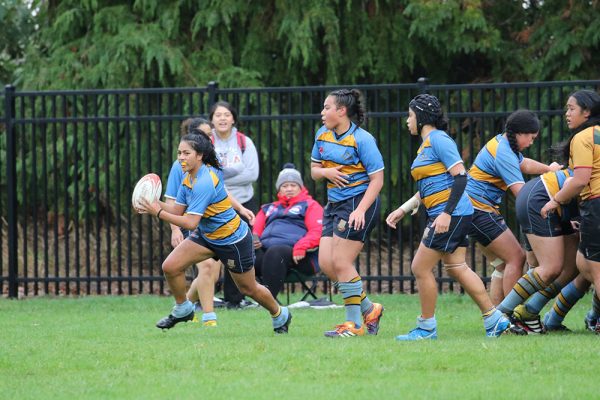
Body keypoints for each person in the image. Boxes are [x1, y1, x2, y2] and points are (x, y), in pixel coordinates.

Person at [386, 94, 513, 340]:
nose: (407, 120)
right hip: (450, 213)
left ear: (421, 117)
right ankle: (494, 319)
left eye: (410, 115)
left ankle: (426, 328)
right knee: (457, 267)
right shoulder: (427, 144)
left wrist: (445, 214)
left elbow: (461, 177)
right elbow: (431, 184)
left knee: (419, 267)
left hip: (450, 215)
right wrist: (403, 209)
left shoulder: (438, 139)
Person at [137, 133, 291, 334]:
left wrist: (157, 212)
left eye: (186, 153)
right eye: (179, 153)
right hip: (207, 236)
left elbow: (191, 222)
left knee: (249, 288)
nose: (181, 157)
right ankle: (183, 309)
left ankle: (280, 314)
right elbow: (177, 210)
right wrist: (153, 201)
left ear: (199, 155)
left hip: (232, 240)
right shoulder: (188, 176)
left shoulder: (205, 180)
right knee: (170, 267)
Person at [466, 109, 562, 304]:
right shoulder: (504, 153)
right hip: (479, 210)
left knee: (502, 265)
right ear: (520, 133)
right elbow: (522, 194)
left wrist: (548, 169)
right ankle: (511, 316)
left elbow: (523, 164)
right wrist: (553, 202)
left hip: (473, 210)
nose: (532, 142)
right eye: (531, 138)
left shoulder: (503, 144)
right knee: (516, 259)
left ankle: (498, 321)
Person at [311, 88, 385, 337]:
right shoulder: (322, 134)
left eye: (327, 107)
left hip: (358, 203)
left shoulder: (362, 139)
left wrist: (361, 210)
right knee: (326, 263)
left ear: (341, 111)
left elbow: (377, 179)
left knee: (341, 263)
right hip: (334, 204)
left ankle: (352, 325)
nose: (322, 113)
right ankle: (369, 308)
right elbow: (313, 169)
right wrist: (326, 173)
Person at [537, 89, 600, 332]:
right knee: (583, 264)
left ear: (587, 112)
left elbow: (579, 179)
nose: (567, 113)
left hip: (595, 204)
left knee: (595, 271)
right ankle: (589, 317)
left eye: (571, 108)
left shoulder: (583, 137)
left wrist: (556, 200)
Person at [164, 118, 225, 327]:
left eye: (210, 134)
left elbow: (221, 193)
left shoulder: (213, 165)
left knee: (212, 272)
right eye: (204, 134)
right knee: (207, 267)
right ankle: (209, 318)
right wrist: (174, 229)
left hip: (216, 227)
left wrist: (241, 208)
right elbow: (171, 200)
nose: (209, 138)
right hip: (193, 225)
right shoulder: (180, 166)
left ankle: (185, 307)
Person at [209, 101, 260, 309]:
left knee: (238, 250)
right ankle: (207, 297)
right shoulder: (206, 143)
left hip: (244, 201)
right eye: (218, 115)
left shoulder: (244, 142)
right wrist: (231, 174)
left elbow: (252, 174)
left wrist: (220, 179)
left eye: (226, 114)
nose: (222, 118)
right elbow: (204, 173)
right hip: (214, 203)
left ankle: (235, 298)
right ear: (211, 119)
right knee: (209, 248)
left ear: (233, 118)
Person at [252, 163, 323, 299]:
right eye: (285, 186)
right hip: (267, 250)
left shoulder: (310, 205)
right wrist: (254, 239)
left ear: (300, 187)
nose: (289, 189)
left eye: (293, 185)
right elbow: (256, 229)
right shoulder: (269, 208)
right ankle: (234, 301)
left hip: (300, 255)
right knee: (240, 254)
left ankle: (268, 301)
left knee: (275, 252)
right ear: (279, 189)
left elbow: (318, 231)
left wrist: (302, 246)